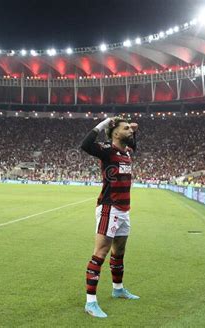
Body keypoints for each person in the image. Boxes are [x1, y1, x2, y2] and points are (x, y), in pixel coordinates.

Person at [80, 116, 140, 318]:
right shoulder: (107, 150)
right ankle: (90, 303)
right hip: (109, 208)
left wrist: (133, 130)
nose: (130, 130)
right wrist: (104, 123)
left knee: (119, 251)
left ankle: (118, 288)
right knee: (100, 253)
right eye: (126, 128)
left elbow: (134, 142)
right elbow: (85, 144)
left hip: (124, 210)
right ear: (115, 132)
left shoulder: (128, 152)